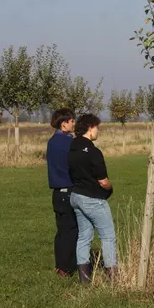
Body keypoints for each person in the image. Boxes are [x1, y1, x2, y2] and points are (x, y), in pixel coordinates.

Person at [68, 114, 117, 284]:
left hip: (76, 196)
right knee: (108, 236)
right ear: (90, 127)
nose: (98, 131)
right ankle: (113, 277)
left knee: (84, 236)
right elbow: (103, 181)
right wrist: (110, 188)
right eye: (97, 127)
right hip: (93, 198)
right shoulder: (93, 151)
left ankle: (85, 279)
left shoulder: (72, 148)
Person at [46, 108, 78, 277]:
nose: (74, 123)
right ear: (63, 123)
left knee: (61, 230)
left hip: (57, 193)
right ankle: (66, 267)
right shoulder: (68, 142)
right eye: (72, 120)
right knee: (71, 230)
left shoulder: (52, 141)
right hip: (68, 191)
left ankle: (60, 265)